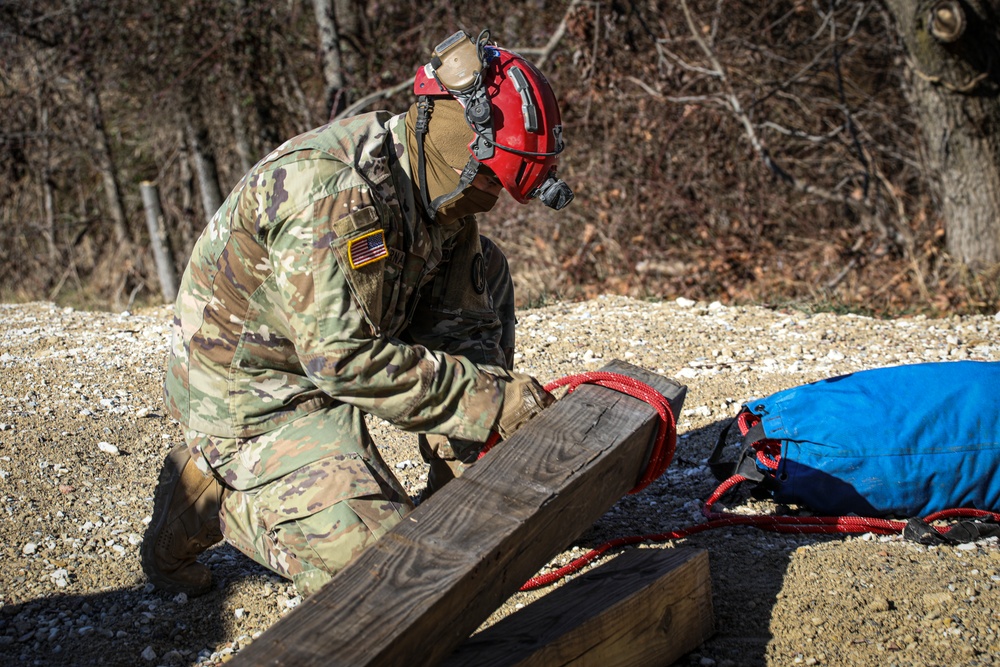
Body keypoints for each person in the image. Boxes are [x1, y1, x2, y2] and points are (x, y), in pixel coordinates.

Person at [140, 29, 574, 598]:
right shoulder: (329, 193)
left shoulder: (429, 187)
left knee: (481, 268)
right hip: (257, 392)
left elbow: (458, 332)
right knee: (386, 578)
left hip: (331, 345)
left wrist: (485, 428)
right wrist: (494, 402)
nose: (490, 199)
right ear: (453, 139)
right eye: (491, 179)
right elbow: (340, 361)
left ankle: (460, 477)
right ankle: (216, 488)